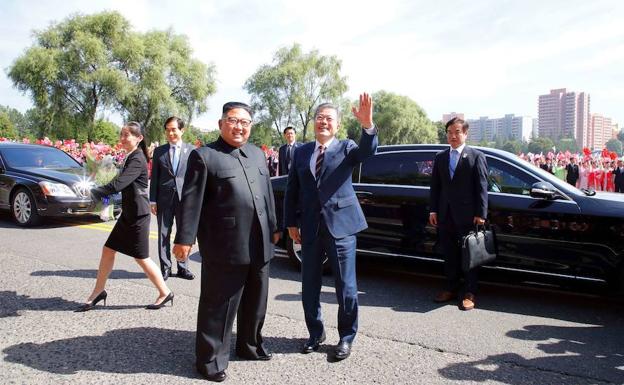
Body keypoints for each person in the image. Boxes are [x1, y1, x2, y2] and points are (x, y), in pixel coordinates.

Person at [172, 102, 279, 383]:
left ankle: (250, 345)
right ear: (221, 124)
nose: (239, 126)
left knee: (256, 300)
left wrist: (274, 227)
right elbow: (191, 202)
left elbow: (267, 194)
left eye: (245, 122)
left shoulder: (257, 155)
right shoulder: (205, 156)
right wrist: (184, 238)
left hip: (260, 241)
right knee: (218, 304)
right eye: (233, 120)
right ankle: (209, 361)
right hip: (225, 245)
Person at [284, 93, 378, 361]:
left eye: (329, 119)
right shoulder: (301, 151)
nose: (323, 122)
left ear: (336, 125)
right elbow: (293, 189)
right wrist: (290, 221)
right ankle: (315, 334)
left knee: (346, 286)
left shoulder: (347, 147)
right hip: (310, 227)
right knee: (309, 284)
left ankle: (346, 337)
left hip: (341, 227)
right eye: (319, 118)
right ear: (314, 123)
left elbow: (367, 152)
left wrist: (368, 126)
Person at [76, 122, 173, 312]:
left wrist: (95, 192)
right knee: (108, 250)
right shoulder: (131, 156)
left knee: (142, 257)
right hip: (129, 213)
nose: (122, 138)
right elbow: (118, 182)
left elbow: (119, 184)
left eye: (127, 135)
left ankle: (165, 292)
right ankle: (98, 291)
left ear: (139, 138)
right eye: (121, 134)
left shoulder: (137, 158)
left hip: (138, 215)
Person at [429, 117, 488, 311]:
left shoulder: (476, 156)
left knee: (470, 254)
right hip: (445, 215)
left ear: (465, 134)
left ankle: (470, 292)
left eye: (457, 132)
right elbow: (435, 187)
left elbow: (482, 188)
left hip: (469, 216)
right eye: (449, 133)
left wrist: (481, 213)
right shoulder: (440, 157)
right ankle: (451, 287)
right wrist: (433, 209)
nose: (453, 136)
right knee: (450, 254)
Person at [149, 116, 195, 281]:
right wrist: (152, 200)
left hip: (185, 200)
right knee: (163, 234)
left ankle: (183, 267)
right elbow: (154, 177)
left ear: (182, 130)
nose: (170, 133)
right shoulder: (159, 151)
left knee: (183, 234)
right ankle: (165, 267)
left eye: (174, 129)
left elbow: (195, 179)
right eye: (167, 129)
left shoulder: (191, 151)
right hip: (164, 199)